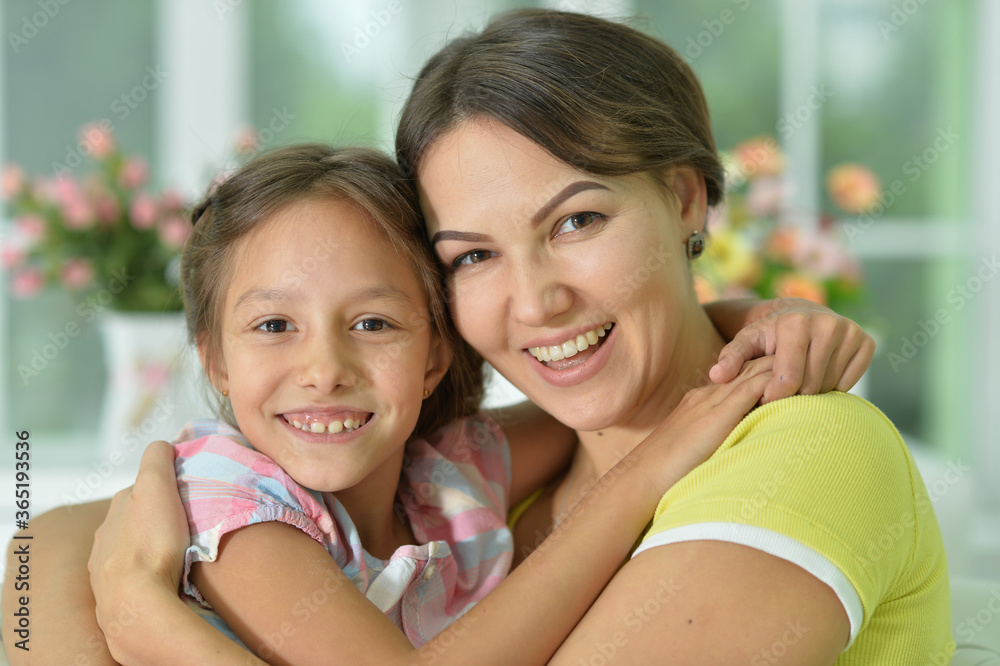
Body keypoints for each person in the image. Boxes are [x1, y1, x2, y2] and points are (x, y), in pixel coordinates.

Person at [1, 9, 899, 664]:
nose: (538, 301)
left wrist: (151, 624)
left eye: (579, 221)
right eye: (472, 256)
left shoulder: (802, 448)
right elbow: (48, 547)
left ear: (685, 198)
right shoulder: (468, 477)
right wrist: (124, 600)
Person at [77, 142, 783, 664]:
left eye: (374, 324)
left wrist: (759, 320)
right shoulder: (230, 506)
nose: (324, 370)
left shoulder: (447, 479)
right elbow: (649, 447)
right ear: (216, 360)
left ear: (433, 357)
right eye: (273, 326)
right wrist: (644, 479)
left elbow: (616, 393)